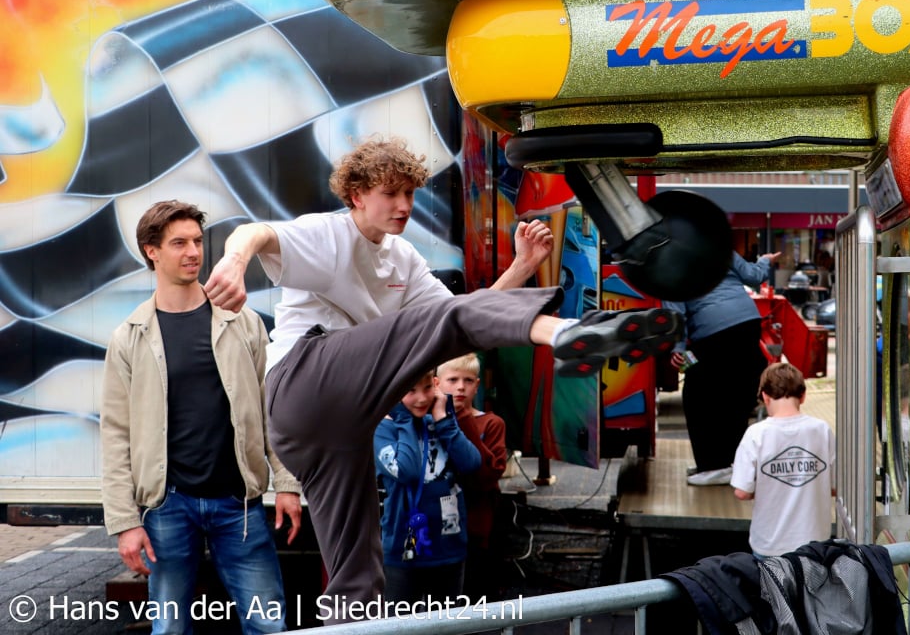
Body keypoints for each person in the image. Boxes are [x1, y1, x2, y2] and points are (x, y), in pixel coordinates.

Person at [202, 136, 680, 618]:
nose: (404, 206)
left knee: (357, 569)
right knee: (421, 326)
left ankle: (350, 627)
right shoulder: (327, 233)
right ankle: (567, 332)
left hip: (339, 427)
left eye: (410, 194)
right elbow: (255, 233)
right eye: (391, 194)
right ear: (357, 196)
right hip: (303, 383)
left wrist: (521, 267)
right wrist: (234, 262)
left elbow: (460, 321)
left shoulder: (403, 259)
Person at [100, 200, 303, 635]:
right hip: (167, 505)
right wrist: (125, 523)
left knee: (268, 626)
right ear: (151, 251)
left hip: (238, 504)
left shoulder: (241, 322)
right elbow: (116, 435)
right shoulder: (129, 338)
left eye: (197, 241)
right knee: (170, 629)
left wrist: (286, 483)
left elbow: (273, 409)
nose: (194, 251)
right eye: (179, 243)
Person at [666, 250, 779, 486]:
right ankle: (731, 463)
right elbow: (754, 275)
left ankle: (713, 466)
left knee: (697, 393)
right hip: (747, 324)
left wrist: (677, 347)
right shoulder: (718, 245)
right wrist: (766, 261)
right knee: (735, 393)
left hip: (713, 331)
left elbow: (676, 311)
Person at [375, 369, 478, 604]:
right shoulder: (384, 430)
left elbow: (471, 463)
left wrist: (444, 420)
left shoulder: (441, 423)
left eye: (427, 388)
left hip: (449, 547)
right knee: (401, 625)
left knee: (448, 622)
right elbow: (406, 470)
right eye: (410, 391)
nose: (421, 398)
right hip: (403, 550)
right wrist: (403, 420)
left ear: (436, 385)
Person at [730, 362, 835, 557]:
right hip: (815, 542)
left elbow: (742, 492)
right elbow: (834, 486)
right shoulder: (822, 430)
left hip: (770, 543)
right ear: (803, 396)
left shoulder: (756, 434)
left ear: (765, 397)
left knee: (771, 588)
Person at [436, 353, 508, 598]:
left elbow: (487, 476)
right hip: (438, 523)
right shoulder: (428, 422)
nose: (460, 387)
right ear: (437, 384)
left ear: (477, 385)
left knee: (475, 590)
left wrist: (463, 418)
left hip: (477, 524)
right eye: (453, 379)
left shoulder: (490, 423)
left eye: (467, 381)